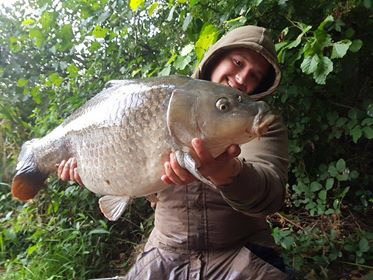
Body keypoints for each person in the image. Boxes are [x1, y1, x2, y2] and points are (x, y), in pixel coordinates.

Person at [58, 25, 290, 279]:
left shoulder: (257, 121)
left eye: (255, 75)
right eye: (237, 62)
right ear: (215, 58)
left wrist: (228, 173)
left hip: (239, 249)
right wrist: (94, 171)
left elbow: (271, 196)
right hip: (167, 250)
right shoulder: (160, 101)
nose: (243, 78)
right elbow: (133, 176)